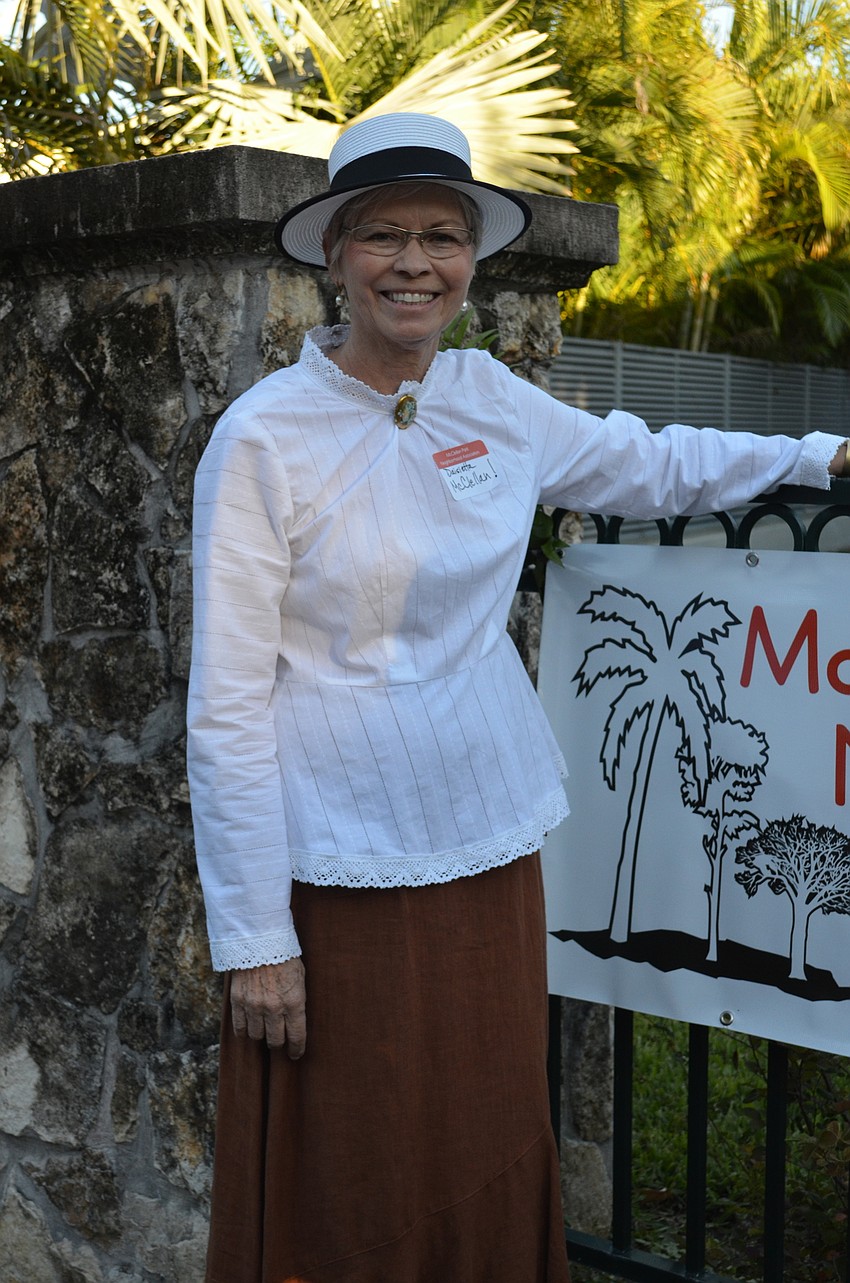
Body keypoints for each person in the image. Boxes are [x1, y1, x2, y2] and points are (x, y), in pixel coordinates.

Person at [186, 111, 849, 1283]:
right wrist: (255, 941)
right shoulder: (262, 439)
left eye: (441, 237)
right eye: (384, 235)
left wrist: (812, 457)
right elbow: (228, 703)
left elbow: (647, 463)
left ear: (471, 261)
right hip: (339, 862)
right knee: (361, 1147)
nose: (414, 264)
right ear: (334, 254)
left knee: (483, 1119)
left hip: (486, 837)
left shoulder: (489, 396)